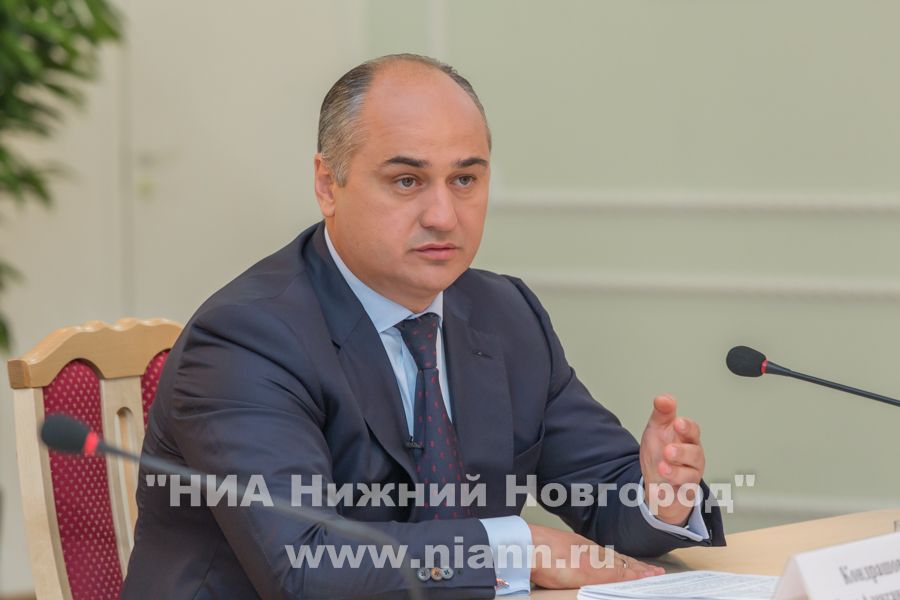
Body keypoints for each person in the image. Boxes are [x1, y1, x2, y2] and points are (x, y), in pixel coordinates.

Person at [123, 54, 725, 600]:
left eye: (465, 180)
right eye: (407, 181)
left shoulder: (505, 313)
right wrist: (521, 548)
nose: (443, 215)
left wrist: (660, 498)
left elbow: (602, 492)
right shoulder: (245, 339)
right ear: (328, 185)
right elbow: (306, 565)